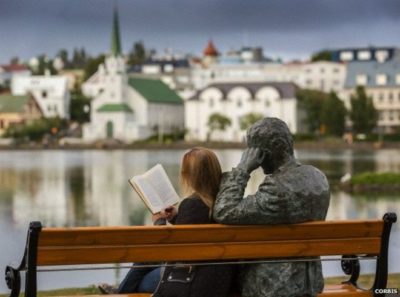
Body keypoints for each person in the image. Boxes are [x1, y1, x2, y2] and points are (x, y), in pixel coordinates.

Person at [213, 117, 330, 297]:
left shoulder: (276, 189)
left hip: (275, 286)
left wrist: (243, 170)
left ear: (270, 150)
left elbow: (224, 210)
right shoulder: (318, 178)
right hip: (311, 281)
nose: (255, 160)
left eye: (256, 152)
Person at [100, 147, 235, 297]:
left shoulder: (192, 204)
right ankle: (120, 291)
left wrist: (159, 223)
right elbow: (195, 232)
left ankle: (119, 292)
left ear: (189, 176)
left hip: (194, 278)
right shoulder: (225, 202)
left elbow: (171, 250)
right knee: (145, 261)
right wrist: (176, 217)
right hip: (220, 274)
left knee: (142, 271)